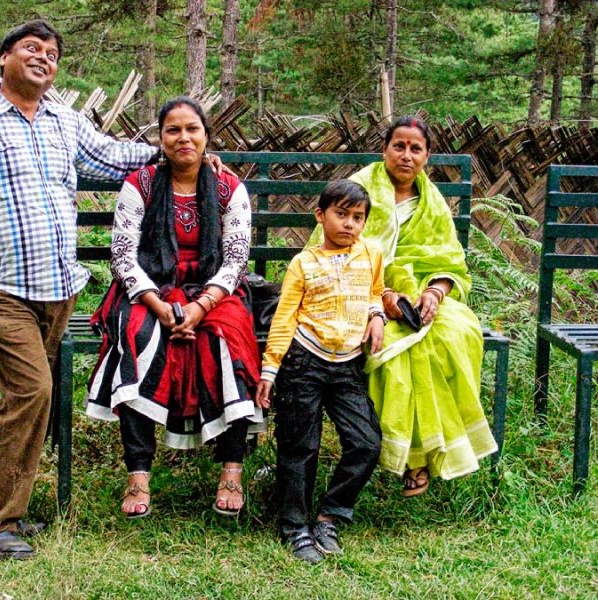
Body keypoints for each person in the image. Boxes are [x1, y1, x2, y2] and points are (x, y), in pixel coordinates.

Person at [0, 21, 228, 560]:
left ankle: (12, 508)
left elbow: (116, 157)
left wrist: (181, 154)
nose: (43, 58)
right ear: (4, 59)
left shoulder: (62, 121)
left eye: (52, 53)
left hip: (59, 288)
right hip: (2, 287)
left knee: (31, 400)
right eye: (31, 49)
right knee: (32, 393)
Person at [86, 96, 262, 520]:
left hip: (213, 290)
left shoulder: (227, 188)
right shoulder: (141, 184)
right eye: (173, 130)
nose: (183, 137)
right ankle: (139, 474)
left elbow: (236, 258)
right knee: (139, 337)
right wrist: (159, 306)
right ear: (160, 138)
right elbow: (124, 255)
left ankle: (232, 469)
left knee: (227, 340)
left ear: (206, 136)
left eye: (192, 129)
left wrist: (200, 308)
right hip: (149, 287)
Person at [306, 115, 498, 498]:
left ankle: (424, 453)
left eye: (416, 148)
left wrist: (435, 293)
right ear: (385, 150)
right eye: (399, 146)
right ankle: (411, 457)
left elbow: (450, 263)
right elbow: (325, 253)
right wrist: (384, 297)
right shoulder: (360, 187)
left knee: (450, 334)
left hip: (422, 298)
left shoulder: (432, 203)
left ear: (427, 156)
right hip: (355, 295)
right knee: (395, 350)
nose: (406, 155)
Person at [256, 180, 385, 564]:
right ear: (321, 215)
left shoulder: (371, 254)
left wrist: (376, 314)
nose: (349, 224)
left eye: (357, 217)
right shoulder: (304, 263)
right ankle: (294, 526)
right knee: (300, 446)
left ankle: (330, 515)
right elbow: (284, 318)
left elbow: (376, 290)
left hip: (347, 363)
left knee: (366, 442)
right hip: (304, 361)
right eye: (341, 214)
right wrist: (270, 369)